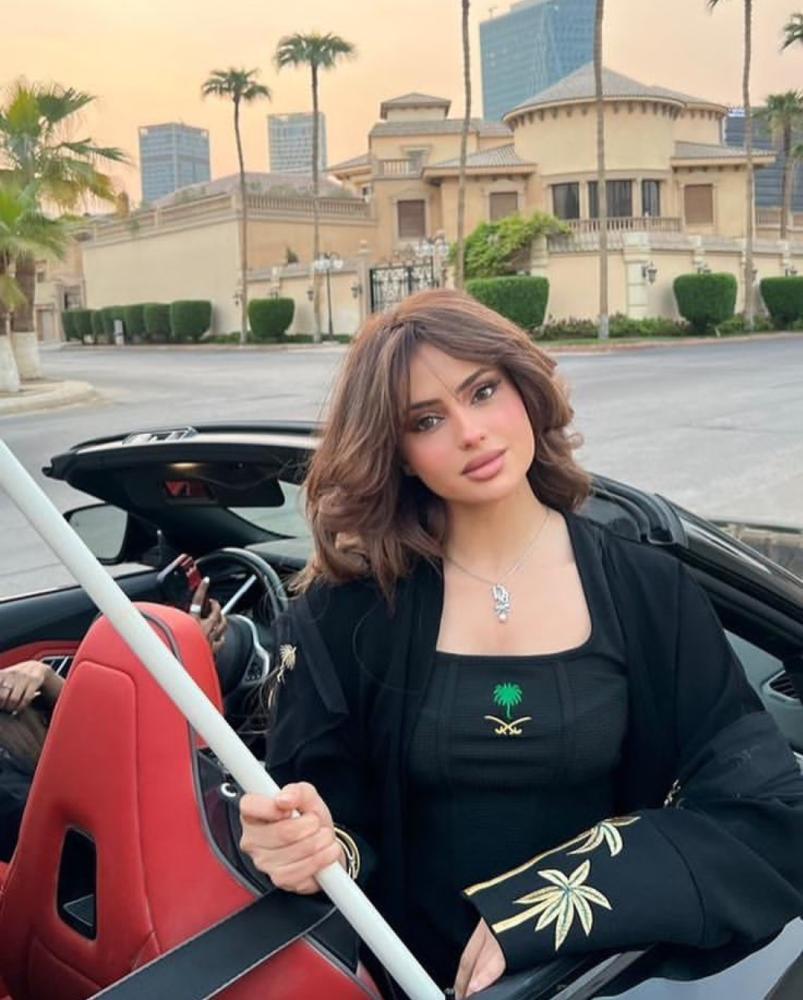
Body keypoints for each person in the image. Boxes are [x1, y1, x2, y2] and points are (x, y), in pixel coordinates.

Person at [238, 288, 803, 999]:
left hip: (597, 980)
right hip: (411, 981)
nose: (470, 433)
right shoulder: (343, 614)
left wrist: (541, 910)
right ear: (400, 454)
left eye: (482, 391)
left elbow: (764, 809)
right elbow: (333, 829)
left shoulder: (650, 591)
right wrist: (300, 848)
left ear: (524, 389)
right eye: (426, 420)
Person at [0, 577, 228, 860]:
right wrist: (184, 662)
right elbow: (145, 827)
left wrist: (46, 678)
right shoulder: (15, 799)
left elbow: (96, 732)